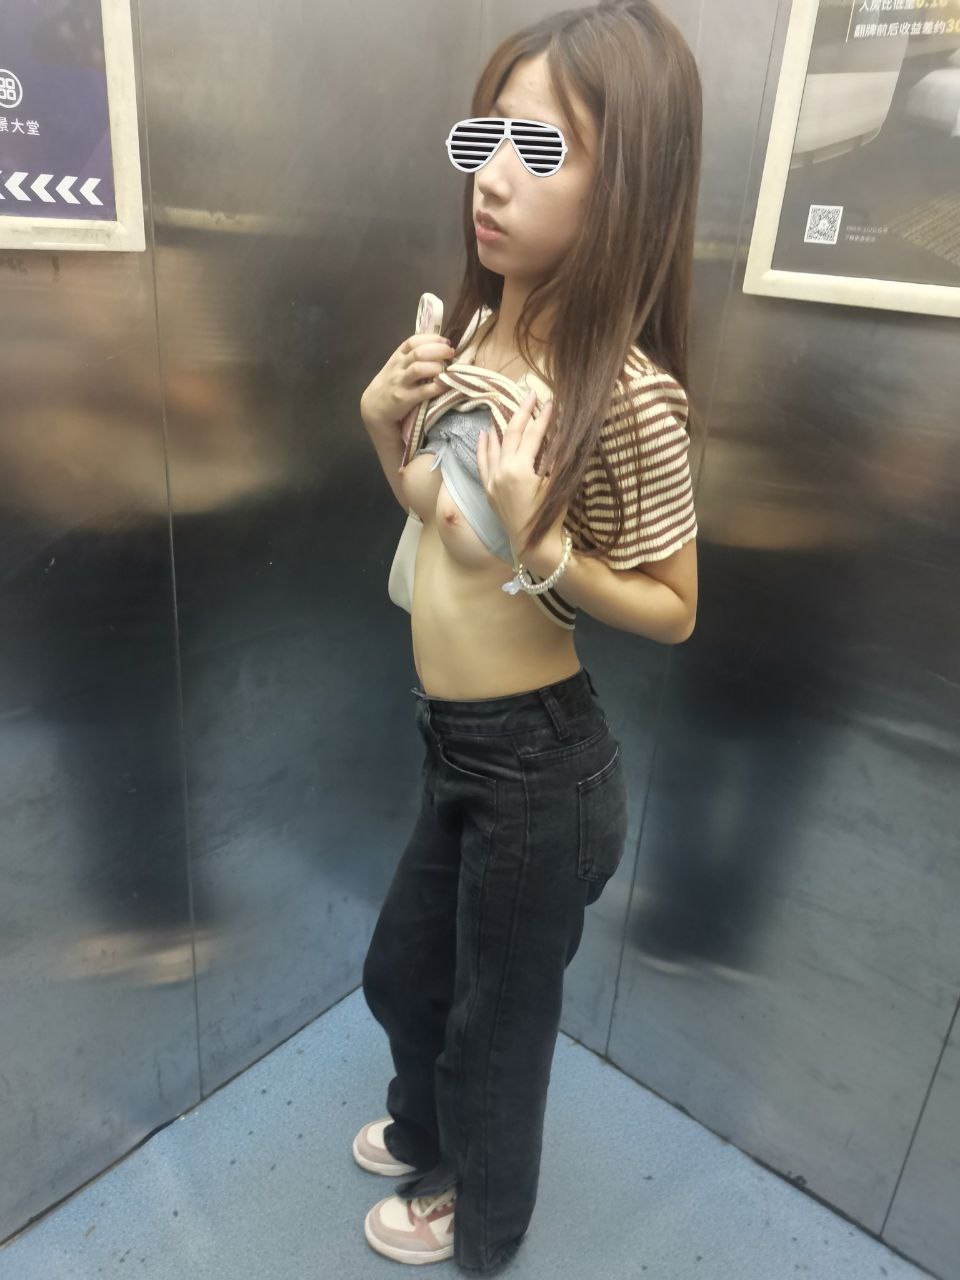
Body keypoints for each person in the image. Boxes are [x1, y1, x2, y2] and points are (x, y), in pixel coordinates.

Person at [357, 1, 702, 1270]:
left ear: (630, 187)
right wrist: (379, 421)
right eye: (484, 138)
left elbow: (676, 606)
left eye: (542, 149)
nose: (492, 178)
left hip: (539, 767)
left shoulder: (631, 398)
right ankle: (425, 1131)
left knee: (495, 1028)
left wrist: (546, 546)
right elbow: (437, 512)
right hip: (453, 742)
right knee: (403, 972)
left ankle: (479, 1218)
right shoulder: (480, 332)